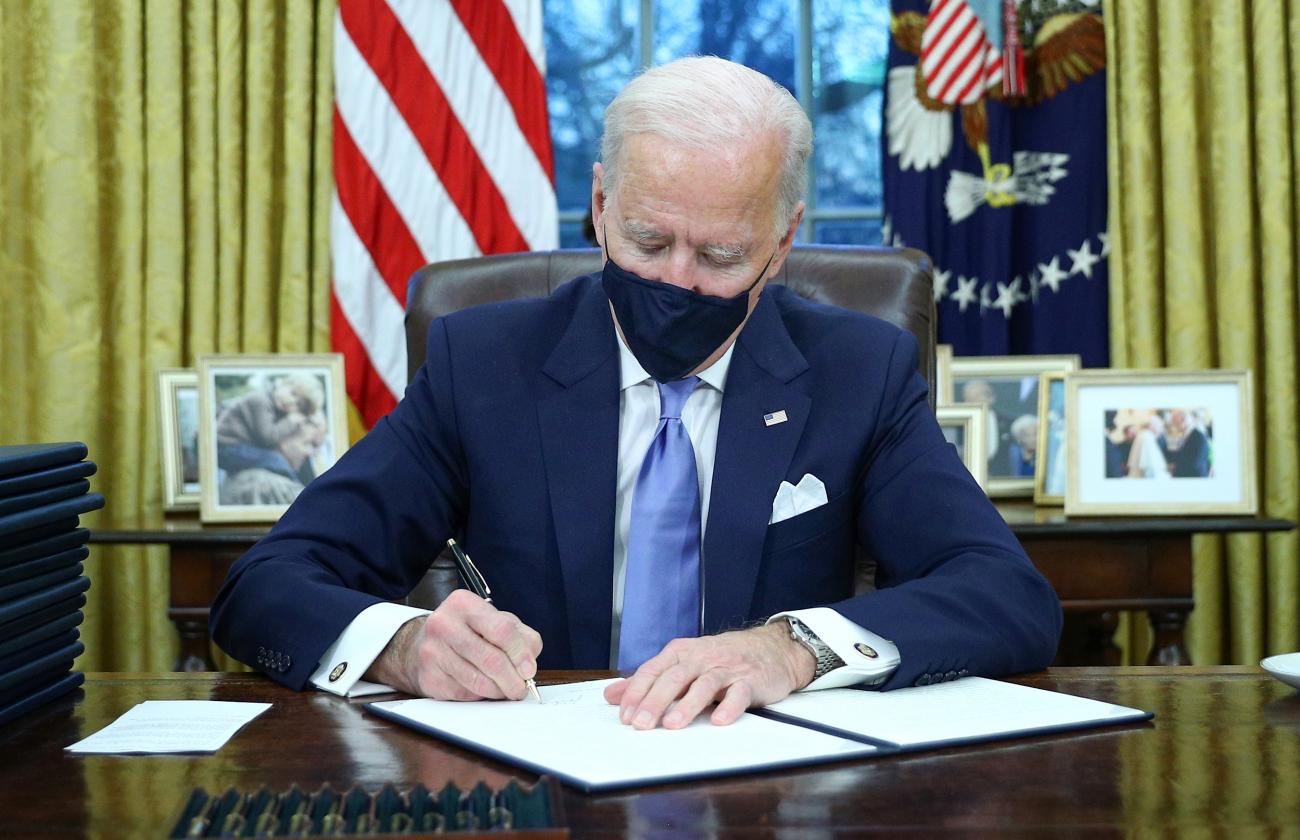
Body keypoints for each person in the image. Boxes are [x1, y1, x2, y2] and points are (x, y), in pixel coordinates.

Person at [210, 57, 1060, 731]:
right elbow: (268, 585)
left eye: (722, 256)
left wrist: (794, 647)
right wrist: (400, 646)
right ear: (601, 203)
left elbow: (1004, 593)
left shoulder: (857, 371)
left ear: (783, 239)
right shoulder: (486, 363)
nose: (677, 281)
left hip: (768, 786)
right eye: (648, 240)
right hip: (538, 783)